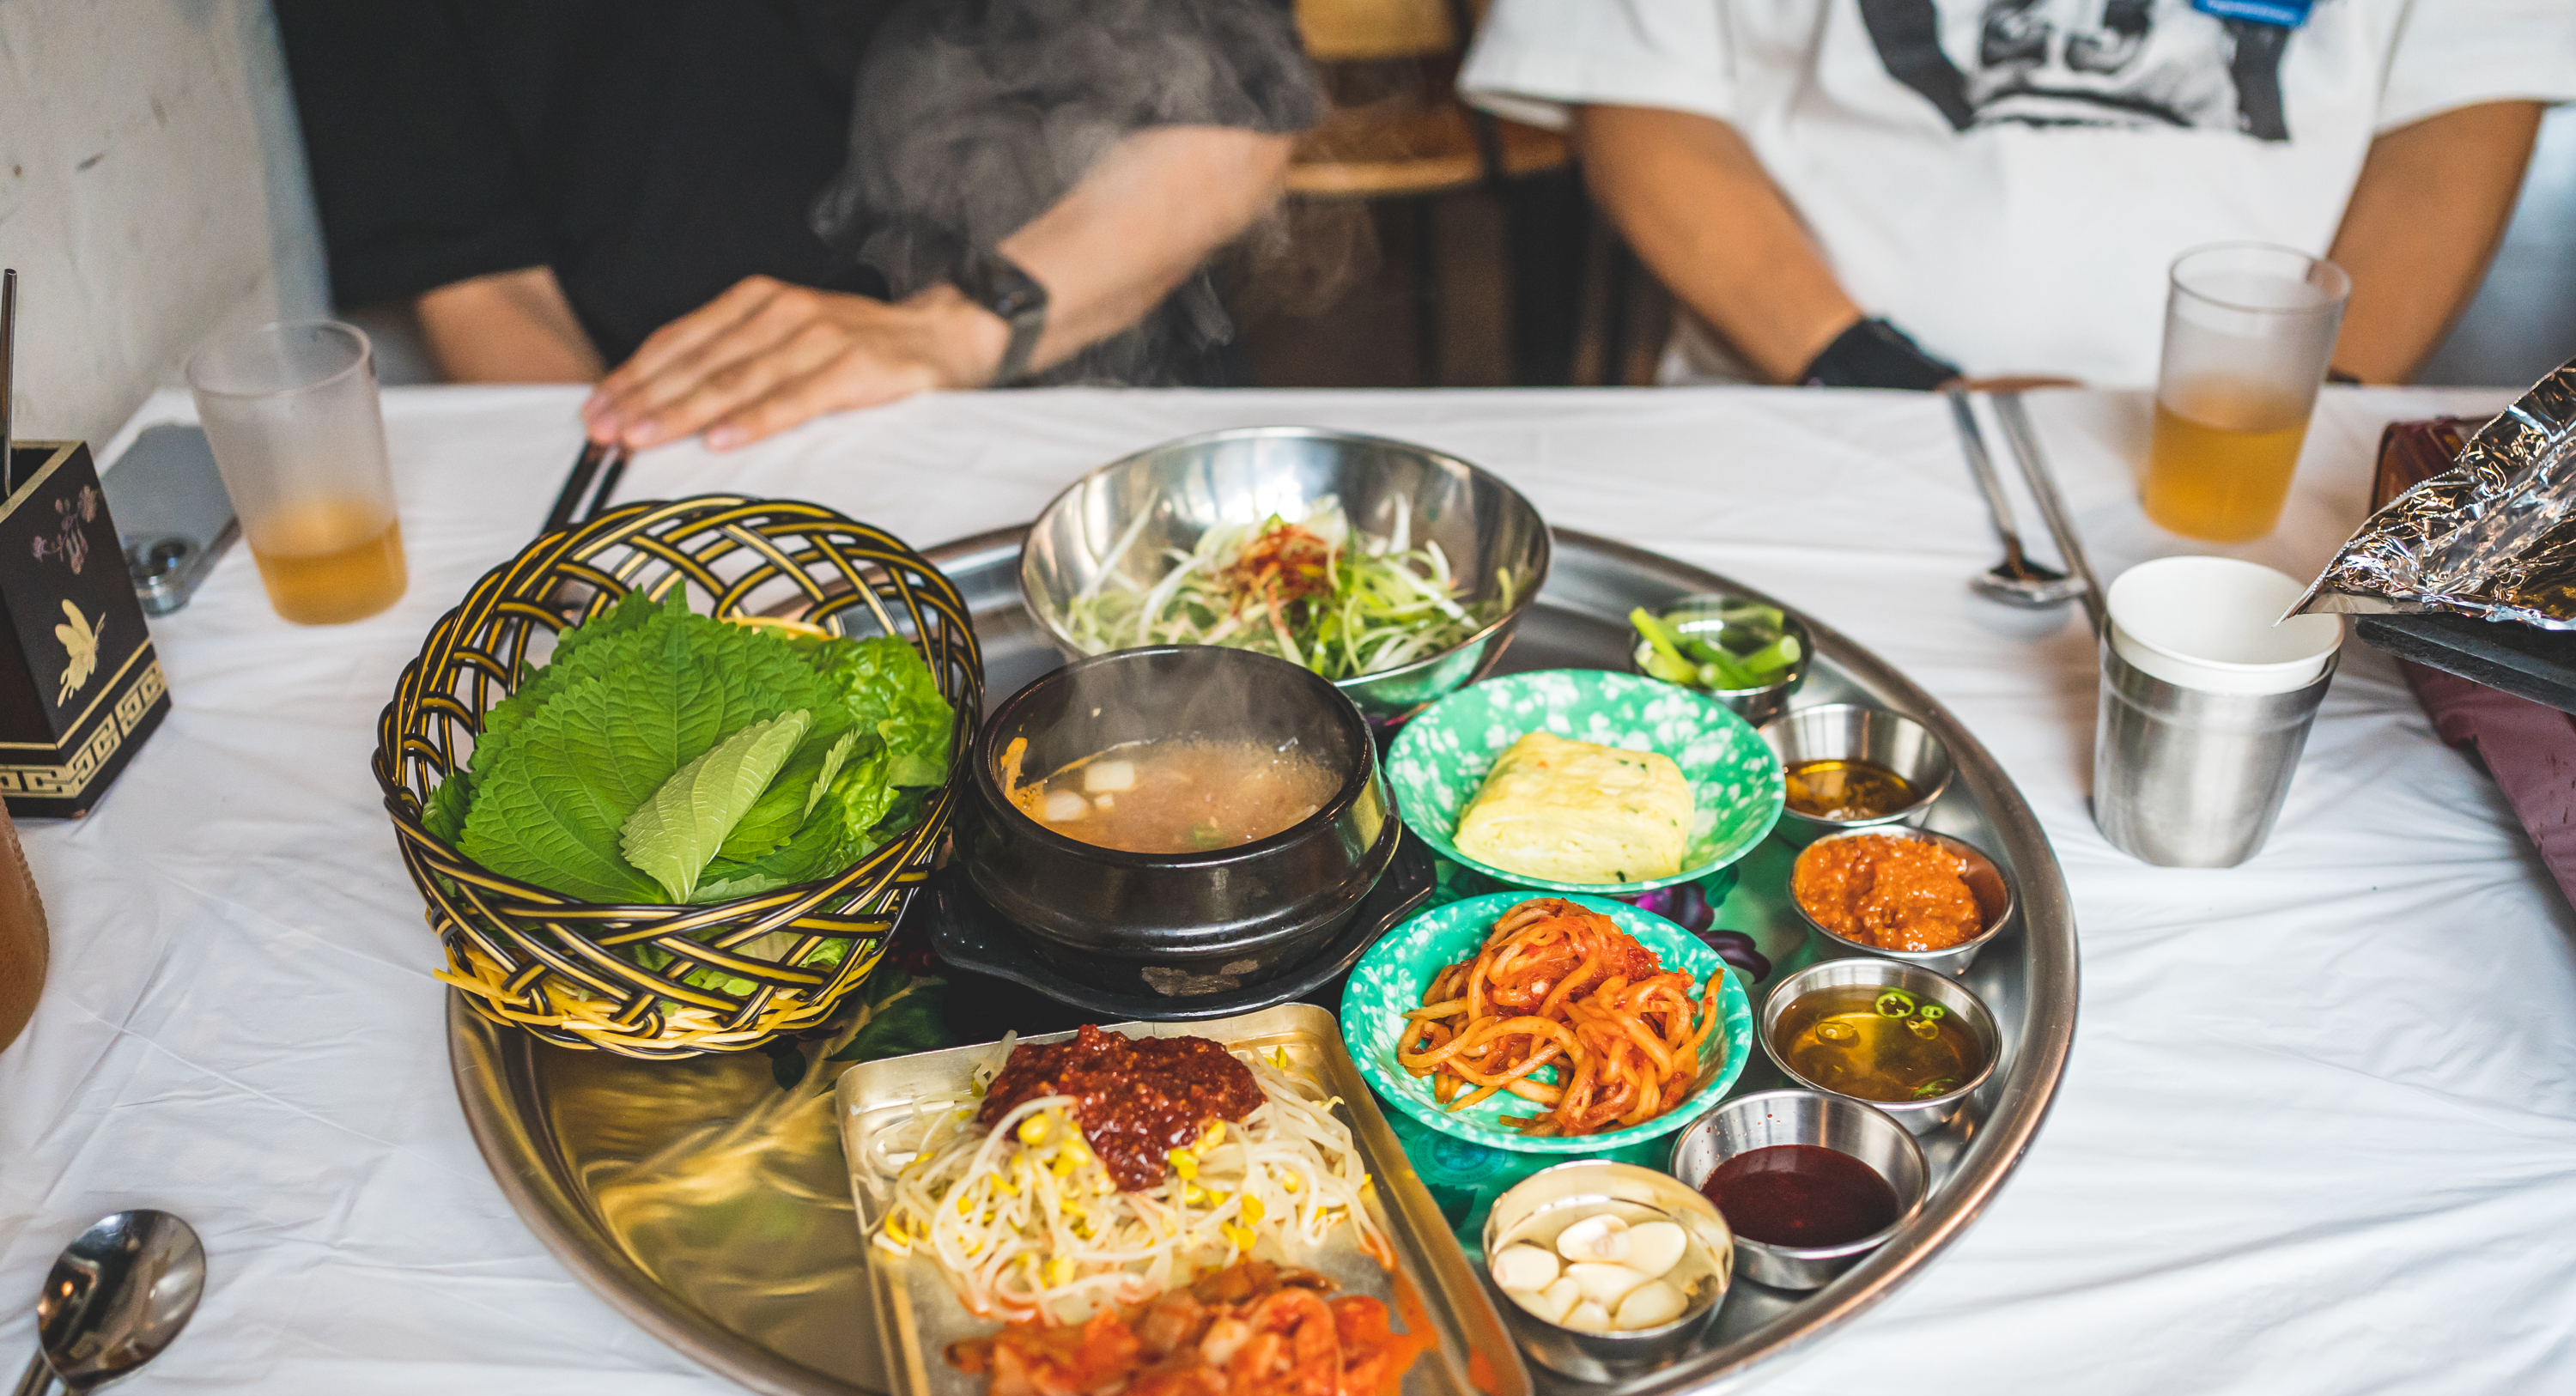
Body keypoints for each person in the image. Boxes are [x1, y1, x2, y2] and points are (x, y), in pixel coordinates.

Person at [276, 1, 1317, 447]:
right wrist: (638, 478)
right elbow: (480, 279)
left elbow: (1233, 125)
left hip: (1086, 388)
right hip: (704, 448)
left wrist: (956, 327)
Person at [1459, 0, 2576, 388]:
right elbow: (1637, 89)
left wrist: (2310, 405)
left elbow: (2460, 109)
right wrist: (1877, 377)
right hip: (1812, 395)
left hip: (2259, 436)